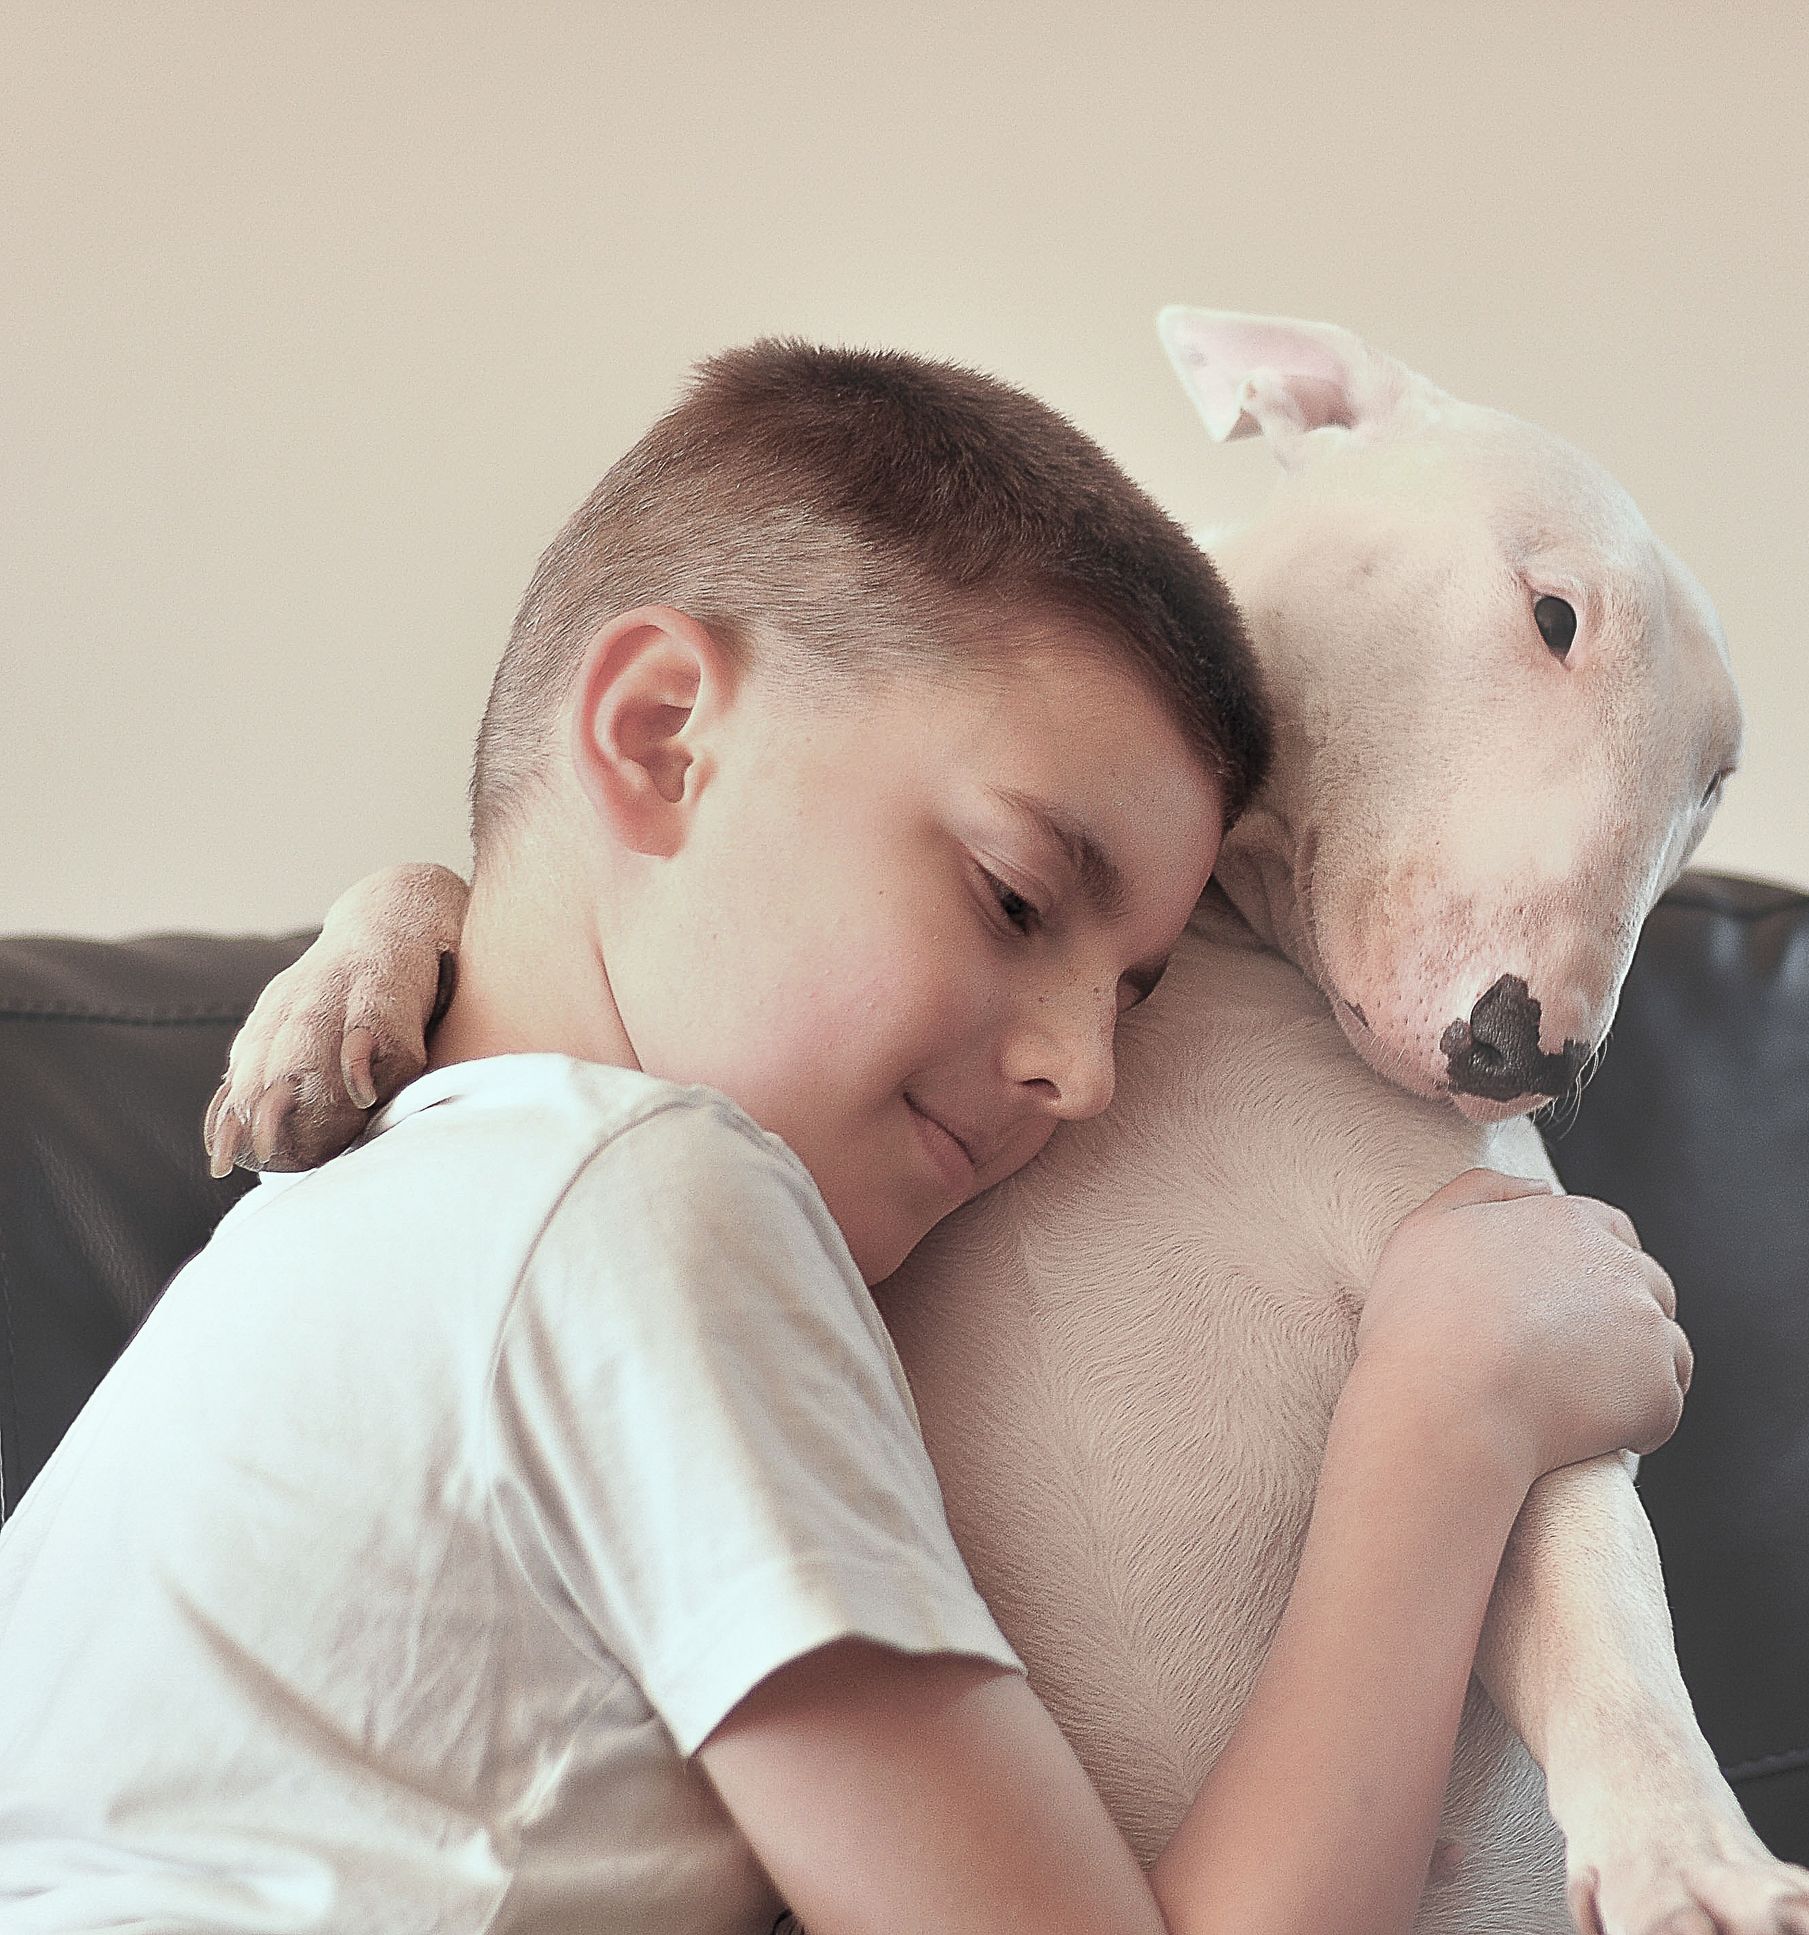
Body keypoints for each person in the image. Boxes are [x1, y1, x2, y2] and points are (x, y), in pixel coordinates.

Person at [0, 339, 1692, 1935]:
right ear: (663, 736)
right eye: (1016, 897)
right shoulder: (655, 1204)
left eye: (1136, 994)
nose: (1089, 1079)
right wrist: (1446, 1414)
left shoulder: (369, 1212)